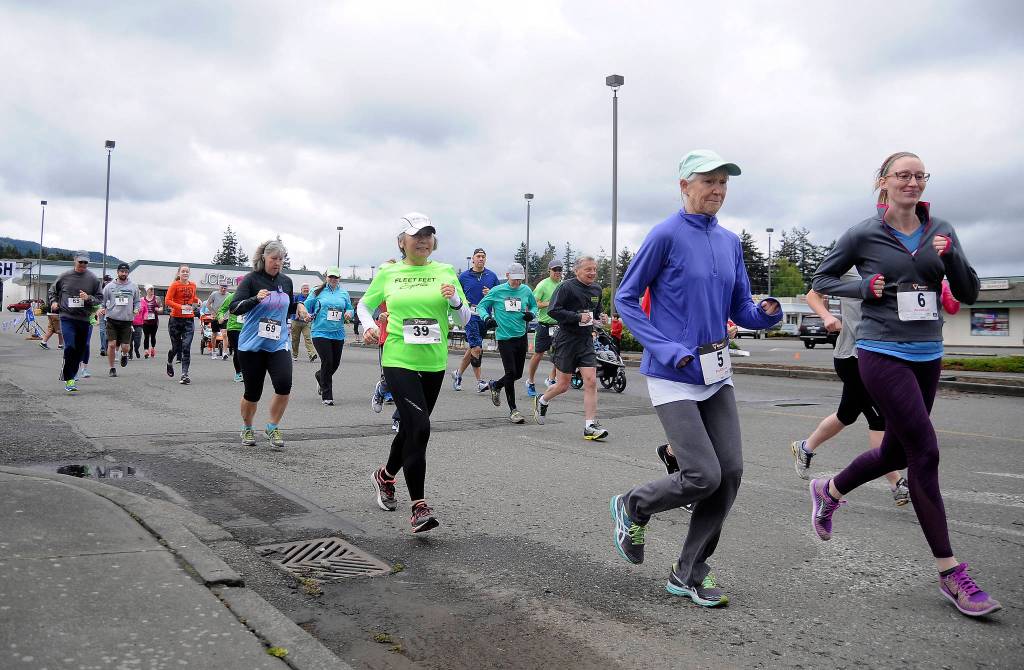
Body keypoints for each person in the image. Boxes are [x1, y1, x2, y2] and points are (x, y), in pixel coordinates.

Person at [810, 151, 999, 617]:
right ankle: (951, 573)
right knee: (925, 453)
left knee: (896, 452)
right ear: (884, 181)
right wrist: (863, 287)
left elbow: (970, 291)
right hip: (880, 351)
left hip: (928, 352)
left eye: (919, 176)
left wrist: (952, 258)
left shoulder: (942, 230)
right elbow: (823, 279)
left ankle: (829, 490)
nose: (912, 182)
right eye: (903, 175)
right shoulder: (862, 233)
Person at [609, 149, 782, 608]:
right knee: (703, 474)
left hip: (715, 371)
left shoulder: (729, 242)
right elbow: (626, 298)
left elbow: (740, 307)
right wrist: (664, 346)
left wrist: (766, 313)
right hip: (672, 373)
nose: (718, 190)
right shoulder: (664, 234)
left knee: (731, 473)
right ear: (684, 185)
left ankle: (689, 571)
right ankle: (634, 505)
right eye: (709, 181)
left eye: (723, 182)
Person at [358, 213, 470, 533]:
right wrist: (368, 326)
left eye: (428, 235)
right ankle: (419, 507)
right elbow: (364, 305)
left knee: (410, 429)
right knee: (420, 427)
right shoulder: (389, 272)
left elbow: (464, 319)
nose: (423, 240)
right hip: (398, 359)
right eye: (416, 235)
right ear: (401, 241)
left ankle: (385, 476)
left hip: (433, 362)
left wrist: (455, 300)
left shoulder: (445, 272)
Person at [790, 269, 910, 506]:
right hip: (853, 357)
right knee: (879, 419)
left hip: (880, 355)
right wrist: (826, 316)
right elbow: (813, 294)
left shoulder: (890, 264)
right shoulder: (850, 267)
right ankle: (897, 483)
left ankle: (805, 447)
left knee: (847, 414)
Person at [230, 240, 306, 448]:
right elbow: (234, 308)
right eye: (273, 259)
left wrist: (299, 306)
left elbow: (287, 307)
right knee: (252, 392)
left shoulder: (286, 281)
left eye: (281, 259)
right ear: (263, 258)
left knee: (284, 385)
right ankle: (247, 428)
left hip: (278, 343)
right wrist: (255, 298)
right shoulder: (251, 280)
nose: (277, 263)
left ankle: (272, 427)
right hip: (252, 345)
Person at [531, 256, 610, 440]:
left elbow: (596, 312)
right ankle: (542, 400)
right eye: (588, 269)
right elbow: (553, 310)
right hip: (566, 340)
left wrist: (602, 317)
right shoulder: (566, 287)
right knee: (563, 385)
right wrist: (577, 317)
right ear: (577, 271)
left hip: (586, 340)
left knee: (591, 381)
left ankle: (590, 426)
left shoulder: (596, 289)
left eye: (594, 269)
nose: (592, 273)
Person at [478, 263, 539, 423]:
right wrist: (487, 318)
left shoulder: (526, 290)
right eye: (514, 279)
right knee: (511, 373)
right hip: (504, 338)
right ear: (507, 276)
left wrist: (532, 314)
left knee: (518, 374)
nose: (517, 282)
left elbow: (534, 306)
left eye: (520, 279)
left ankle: (496, 385)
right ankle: (513, 411)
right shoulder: (497, 291)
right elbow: (481, 306)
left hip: (521, 336)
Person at [49, 251, 102, 393]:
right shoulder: (64, 276)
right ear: (75, 260)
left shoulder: (93, 279)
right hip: (67, 317)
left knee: (80, 349)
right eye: (80, 262)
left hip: (84, 319)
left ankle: (72, 373)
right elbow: (52, 291)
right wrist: (54, 302)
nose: (83, 264)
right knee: (70, 346)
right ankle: (69, 378)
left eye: (85, 262)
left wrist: (88, 298)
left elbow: (99, 298)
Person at [304, 267, 354, 406]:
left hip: (338, 333)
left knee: (335, 363)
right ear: (326, 277)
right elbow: (306, 306)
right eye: (331, 276)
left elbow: (350, 308)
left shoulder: (343, 293)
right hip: (320, 332)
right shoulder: (317, 291)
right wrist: (306, 315)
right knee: (327, 361)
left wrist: (349, 313)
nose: (333, 279)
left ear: (339, 279)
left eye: (335, 277)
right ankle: (327, 395)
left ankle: (320, 376)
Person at [451, 248, 499, 392]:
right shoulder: (464, 276)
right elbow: (456, 293)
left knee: (473, 347)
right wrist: (462, 301)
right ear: (473, 259)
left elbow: (499, 295)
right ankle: (479, 382)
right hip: (469, 315)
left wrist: (491, 293)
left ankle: (458, 374)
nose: (481, 258)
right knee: (477, 348)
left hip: (484, 316)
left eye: (483, 256)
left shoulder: (492, 276)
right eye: (478, 256)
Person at [526, 260, 562, 398]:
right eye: (555, 270)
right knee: (538, 354)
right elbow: (533, 304)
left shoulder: (562, 285)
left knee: (560, 354)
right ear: (549, 271)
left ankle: (551, 378)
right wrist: (550, 303)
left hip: (558, 326)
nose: (557, 272)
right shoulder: (543, 285)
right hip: (544, 325)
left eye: (559, 270)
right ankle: (530, 381)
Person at [98, 262, 141, 378]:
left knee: (125, 347)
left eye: (126, 272)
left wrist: (136, 308)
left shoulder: (133, 286)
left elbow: (137, 301)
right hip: (112, 319)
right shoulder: (109, 286)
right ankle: (112, 368)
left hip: (127, 320)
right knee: (112, 345)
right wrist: (101, 308)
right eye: (122, 271)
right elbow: (102, 301)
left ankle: (124, 355)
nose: (124, 273)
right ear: (117, 272)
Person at [164, 265, 200, 384]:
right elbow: (167, 300)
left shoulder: (193, 285)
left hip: (189, 320)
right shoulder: (175, 285)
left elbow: (192, 297)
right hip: (175, 320)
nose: (185, 273)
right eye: (183, 271)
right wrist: (181, 307)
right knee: (176, 347)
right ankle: (169, 361)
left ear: (189, 273)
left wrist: (197, 300)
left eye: (187, 271)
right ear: (179, 273)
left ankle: (184, 374)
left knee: (186, 347)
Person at [217, 275, 246, 383]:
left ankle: (246, 371)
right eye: (241, 283)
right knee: (238, 350)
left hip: (247, 328)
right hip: (234, 328)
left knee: (248, 351)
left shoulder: (251, 296)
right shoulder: (232, 297)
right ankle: (238, 373)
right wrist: (220, 317)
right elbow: (222, 310)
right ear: (238, 285)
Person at [290, 283, 317, 363]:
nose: (306, 290)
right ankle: (295, 355)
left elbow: (314, 309)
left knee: (308, 338)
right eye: (304, 288)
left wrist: (311, 316)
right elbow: (292, 307)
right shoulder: (296, 297)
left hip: (306, 322)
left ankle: (312, 354)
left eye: (307, 288)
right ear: (301, 290)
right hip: (296, 321)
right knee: (295, 339)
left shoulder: (311, 298)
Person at [205, 283, 230, 359]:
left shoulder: (229, 295)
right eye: (222, 288)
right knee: (214, 334)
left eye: (225, 288)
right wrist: (212, 312)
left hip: (225, 317)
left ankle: (224, 352)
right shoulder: (214, 294)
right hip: (215, 317)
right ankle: (213, 351)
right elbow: (208, 304)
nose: (223, 289)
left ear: (227, 288)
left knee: (224, 334)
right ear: (219, 287)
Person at [141, 285, 161, 359]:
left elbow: (161, 307)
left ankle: (152, 348)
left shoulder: (157, 298)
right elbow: (140, 308)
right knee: (146, 336)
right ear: (147, 290)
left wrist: (158, 309)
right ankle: (146, 351)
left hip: (154, 321)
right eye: (150, 289)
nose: (152, 291)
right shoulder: (142, 299)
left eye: (153, 289)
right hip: (145, 321)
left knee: (153, 335)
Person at [130, 294, 147, 360]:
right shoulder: (129, 301)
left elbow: (146, 311)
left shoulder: (143, 301)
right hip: (129, 323)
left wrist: (145, 316)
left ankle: (136, 349)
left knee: (137, 341)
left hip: (139, 324)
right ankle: (130, 353)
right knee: (129, 340)